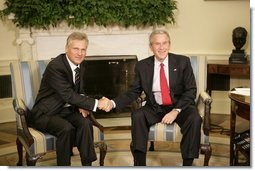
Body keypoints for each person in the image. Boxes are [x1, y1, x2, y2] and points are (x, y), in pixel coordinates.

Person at [103, 30, 202, 166]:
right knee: (138, 116)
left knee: (195, 118)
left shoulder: (183, 62)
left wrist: (176, 111)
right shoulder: (142, 65)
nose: (161, 47)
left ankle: (187, 164)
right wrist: (113, 103)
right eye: (157, 44)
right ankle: (140, 164)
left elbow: (191, 91)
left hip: (179, 106)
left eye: (164, 43)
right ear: (151, 47)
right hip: (155, 107)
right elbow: (133, 91)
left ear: (169, 44)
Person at [29, 32, 109, 166]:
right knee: (66, 129)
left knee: (86, 124)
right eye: (75, 49)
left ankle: (87, 165)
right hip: (45, 113)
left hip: (65, 111)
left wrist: (83, 103)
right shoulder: (56, 66)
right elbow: (68, 94)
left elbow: (78, 90)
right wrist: (96, 103)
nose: (80, 53)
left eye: (83, 49)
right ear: (67, 48)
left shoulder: (81, 64)